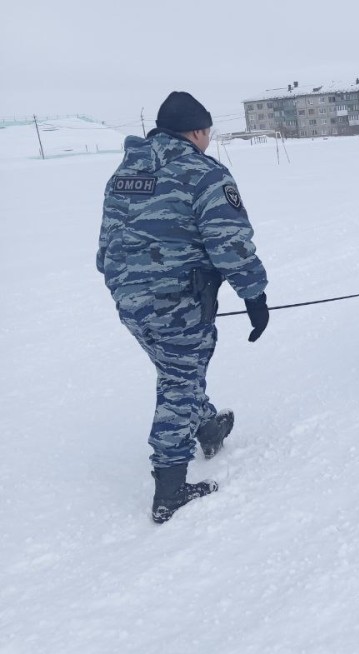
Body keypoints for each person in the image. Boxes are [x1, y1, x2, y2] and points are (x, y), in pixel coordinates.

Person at [96, 92, 269, 523]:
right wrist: (254, 295)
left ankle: (207, 426)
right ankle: (170, 489)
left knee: (178, 367)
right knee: (179, 379)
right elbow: (230, 242)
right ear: (197, 131)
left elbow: (106, 245)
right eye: (207, 132)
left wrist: (127, 284)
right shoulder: (203, 173)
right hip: (178, 303)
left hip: (128, 300)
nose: (208, 140)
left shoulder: (125, 171)